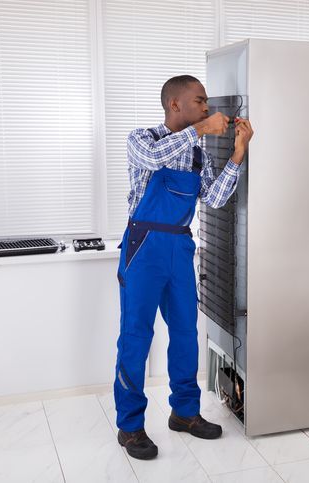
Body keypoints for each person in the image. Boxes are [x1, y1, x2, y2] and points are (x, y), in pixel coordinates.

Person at [113, 75, 253, 460]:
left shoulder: (198, 155)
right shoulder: (142, 139)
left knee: (186, 334)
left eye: (207, 104)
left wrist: (238, 153)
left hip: (179, 246)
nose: (206, 108)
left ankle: (185, 413)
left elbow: (215, 197)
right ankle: (130, 426)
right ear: (175, 105)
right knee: (136, 337)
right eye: (200, 101)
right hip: (143, 247)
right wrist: (202, 130)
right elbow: (155, 160)